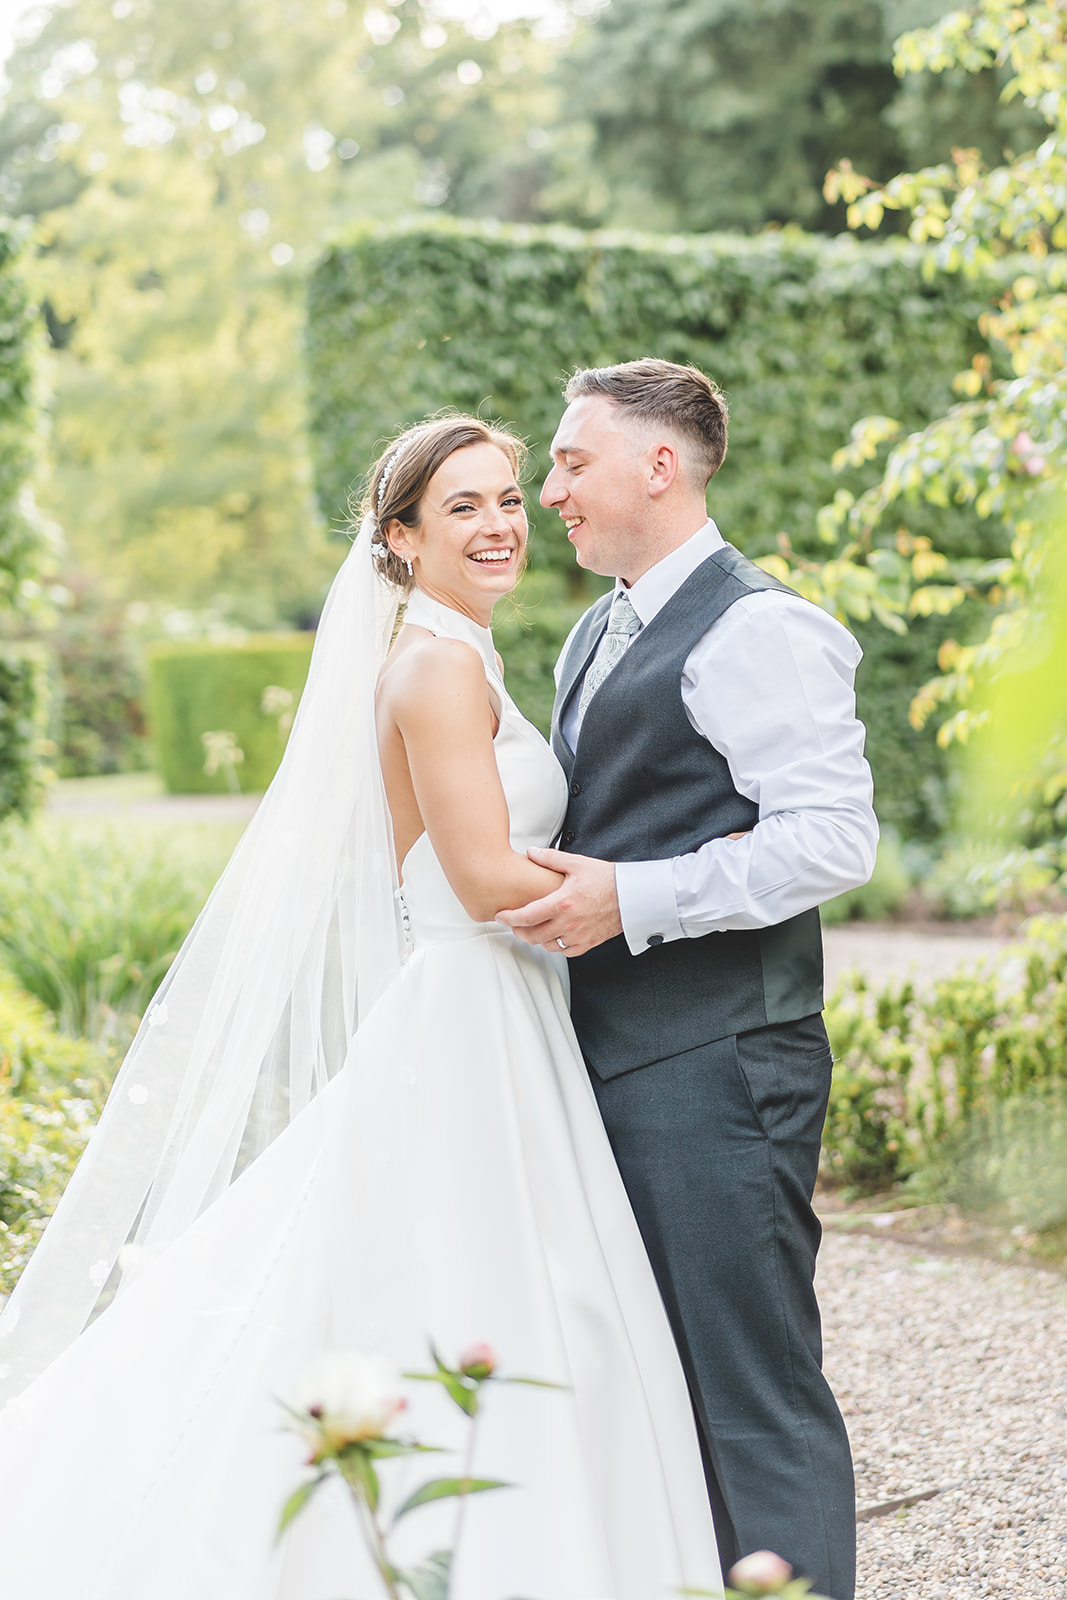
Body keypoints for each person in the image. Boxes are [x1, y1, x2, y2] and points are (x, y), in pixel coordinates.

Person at [0, 415, 723, 1600]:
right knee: (482, 1281)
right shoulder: (434, 667)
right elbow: (484, 877)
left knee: (504, 1281)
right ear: (397, 539)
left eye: (504, 500)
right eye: (459, 509)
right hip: (472, 1007)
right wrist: (657, 885)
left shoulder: (468, 655)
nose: (496, 526)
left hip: (509, 1004)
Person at [498, 359, 879, 1600]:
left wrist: (630, 895)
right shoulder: (595, 629)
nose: (545, 488)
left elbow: (832, 837)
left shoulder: (759, 628)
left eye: (569, 460)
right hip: (611, 1059)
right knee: (654, 1379)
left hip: (721, 1064)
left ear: (658, 466)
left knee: (747, 1383)